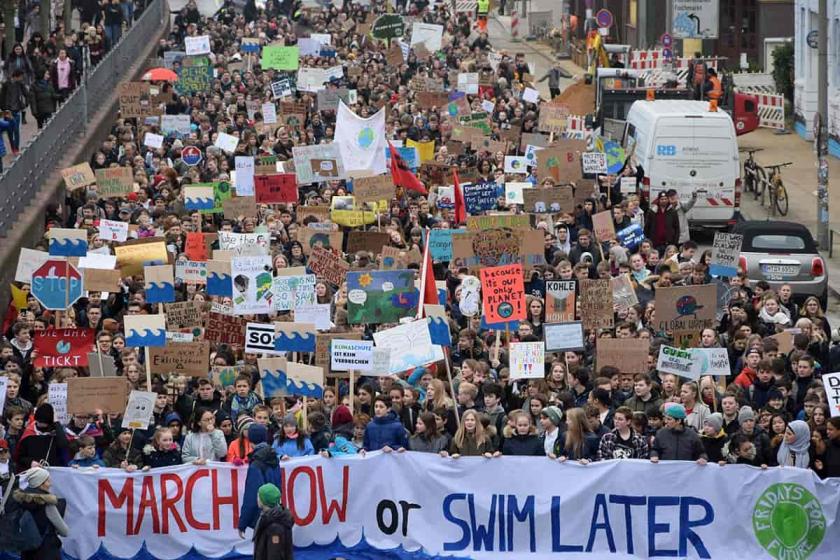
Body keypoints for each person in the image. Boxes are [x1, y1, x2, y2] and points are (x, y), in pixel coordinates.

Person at [12, 467, 69, 560]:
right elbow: (65, 532)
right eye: (47, 481)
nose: (50, 484)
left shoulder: (20, 501)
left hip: (27, 551)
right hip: (47, 552)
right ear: (40, 484)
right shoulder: (47, 504)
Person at [238, 424, 283, 537]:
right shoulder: (274, 458)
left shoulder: (256, 464)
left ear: (250, 440)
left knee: (263, 550)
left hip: (262, 518)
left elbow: (252, 495)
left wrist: (242, 523)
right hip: (276, 513)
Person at [251, 483, 294, 560]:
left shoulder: (275, 527)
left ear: (264, 500)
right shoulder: (266, 518)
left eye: (258, 496)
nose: (257, 499)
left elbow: (274, 555)